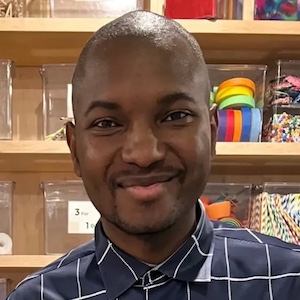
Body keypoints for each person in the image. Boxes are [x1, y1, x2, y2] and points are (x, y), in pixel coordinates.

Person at [7, 10, 300, 300]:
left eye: (175, 116)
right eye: (107, 123)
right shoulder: (39, 296)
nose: (144, 154)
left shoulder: (288, 281)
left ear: (211, 133)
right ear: (75, 150)